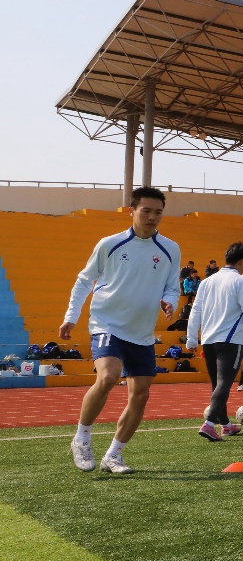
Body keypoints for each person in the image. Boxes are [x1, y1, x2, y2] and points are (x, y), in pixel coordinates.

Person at [61, 187, 182, 474]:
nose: (152, 217)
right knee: (108, 376)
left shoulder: (170, 249)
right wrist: (71, 316)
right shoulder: (110, 244)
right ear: (132, 211)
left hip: (141, 332)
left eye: (158, 212)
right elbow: (84, 280)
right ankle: (82, 438)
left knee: (140, 394)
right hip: (107, 323)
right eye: (146, 211)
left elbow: (172, 287)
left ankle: (113, 455)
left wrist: (170, 302)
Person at [186, 242, 243, 442]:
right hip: (230, 340)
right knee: (225, 383)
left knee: (217, 384)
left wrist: (192, 338)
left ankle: (226, 424)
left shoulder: (207, 281)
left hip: (208, 340)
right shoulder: (241, 281)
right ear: (242, 261)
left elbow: (195, 311)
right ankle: (209, 424)